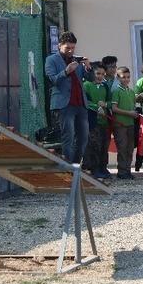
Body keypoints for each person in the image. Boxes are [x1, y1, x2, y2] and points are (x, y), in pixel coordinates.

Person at [44, 31, 91, 164]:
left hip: (81, 104)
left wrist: (88, 68)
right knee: (68, 137)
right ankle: (69, 168)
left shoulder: (77, 59)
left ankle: (75, 165)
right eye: (67, 48)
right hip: (64, 105)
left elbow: (91, 79)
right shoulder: (51, 60)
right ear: (59, 46)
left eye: (73, 48)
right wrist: (66, 71)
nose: (70, 51)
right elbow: (52, 79)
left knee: (83, 138)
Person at [81, 63, 111, 178]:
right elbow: (85, 102)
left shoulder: (105, 86)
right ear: (92, 73)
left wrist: (105, 104)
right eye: (98, 73)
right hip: (92, 121)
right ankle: (94, 168)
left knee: (104, 144)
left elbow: (109, 102)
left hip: (104, 121)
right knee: (94, 145)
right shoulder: (86, 85)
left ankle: (103, 167)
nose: (100, 76)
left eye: (103, 74)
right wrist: (96, 107)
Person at [111, 67, 138, 180]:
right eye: (123, 77)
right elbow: (114, 108)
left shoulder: (131, 92)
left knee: (130, 148)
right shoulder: (116, 91)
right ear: (118, 78)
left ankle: (128, 170)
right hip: (120, 124)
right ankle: (121, 172)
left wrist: (135, 113)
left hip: (131, 124)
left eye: (128, 77)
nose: (126, 79)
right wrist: (129, 113)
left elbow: (133, 107)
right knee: (122, 148)